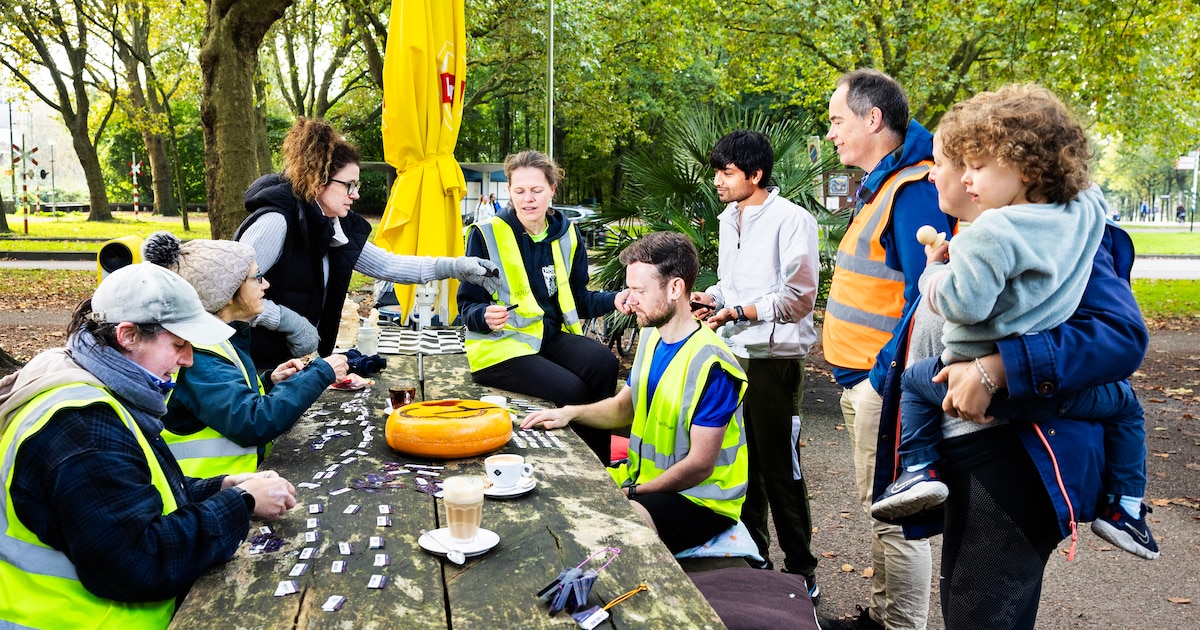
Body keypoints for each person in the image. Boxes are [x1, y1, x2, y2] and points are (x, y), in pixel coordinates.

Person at [870, 105, 1150, 628]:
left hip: (1012, 450)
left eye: (959, 160)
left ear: (1022, 171)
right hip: (976, 449)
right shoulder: (981, 235)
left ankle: (1126, 506)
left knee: (981, 617)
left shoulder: (1063, 240)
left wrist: (996, 370)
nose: (939, 172)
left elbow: (1121, 336)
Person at [0, 263, 297, 627]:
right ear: (127, 336)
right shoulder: (84, 425)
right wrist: (240, 503)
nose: (187, 359)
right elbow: (139, 561)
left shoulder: (94, 382)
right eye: (178, 344)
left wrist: (219, 487)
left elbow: (127, 492)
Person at [820, 68, 955, 630]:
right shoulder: (887, 180)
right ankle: (884, 617)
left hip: (886, 385)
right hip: (870, 383)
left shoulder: (913, 188)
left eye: (836, 121)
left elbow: (925, 298)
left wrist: (881, 377)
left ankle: (898, 625)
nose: (830, 134)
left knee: (897, 516)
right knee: (884, 510)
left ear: (872, 119)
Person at [520, 232, 748, 553]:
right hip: (645, 482)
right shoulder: (653, 337)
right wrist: (570, 413)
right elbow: (624, 408)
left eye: (639, 290)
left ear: (675, 288)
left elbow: (699, 466)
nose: (629, 299)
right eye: (629, 288)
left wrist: (634, 492)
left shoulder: (714, 366)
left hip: (700, 500)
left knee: (598, 533)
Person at [234, 117, 501, 369]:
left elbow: (388, 265)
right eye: (349, 185)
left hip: (294, 363)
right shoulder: (276, 222)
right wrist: (288, 322)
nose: (356, 194)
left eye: (357, 184)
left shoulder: (333, 224)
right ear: (317, 180)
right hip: (254, 361)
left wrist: (455, 267)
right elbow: (231, 293)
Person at [689, 130, 821, 599]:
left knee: (781, 469)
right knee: (744, 466)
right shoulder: (729, 218)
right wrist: (713, 299)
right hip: (734, 354)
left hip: (774, 360)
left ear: (755, 174)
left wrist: (739, 311)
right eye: (718, 172)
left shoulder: (793, 220)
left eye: (726, 173)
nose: (718, 182)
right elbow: (732, 284)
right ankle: (757, 560)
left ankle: (803, 572)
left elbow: (799, 297)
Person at [459, 150, 630, 460]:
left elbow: (578, 299)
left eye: (537, 190)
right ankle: (581, 465)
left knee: (604, 363)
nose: (528, 199)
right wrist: (483, 315)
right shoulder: (485, 235)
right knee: (572, 391)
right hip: (501, 346)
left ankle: (600, 463)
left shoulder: (569, 235)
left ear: (552, 189)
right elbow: (467, 306)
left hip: (547, 337)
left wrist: (614, 300)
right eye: (519, 191)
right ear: (508, 191)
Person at [141, 231, 350, 477]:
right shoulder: (199, 354)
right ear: (227, 292)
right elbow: (253, 422)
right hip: (211, 498)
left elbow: (222, 404)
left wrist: (268, 382)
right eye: (257, 278)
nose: (266, 284)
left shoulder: (225, 338)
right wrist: (321, 372)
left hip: (238, 489)